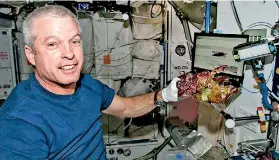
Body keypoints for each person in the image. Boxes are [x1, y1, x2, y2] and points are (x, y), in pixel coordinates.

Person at [0, 5, 180, 160]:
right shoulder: (19, 120)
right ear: (31, 55)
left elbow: (126, 107)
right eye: (53, 44)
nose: (69, 53)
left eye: (75, 41)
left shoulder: (86, 84)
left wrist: (164, 94)